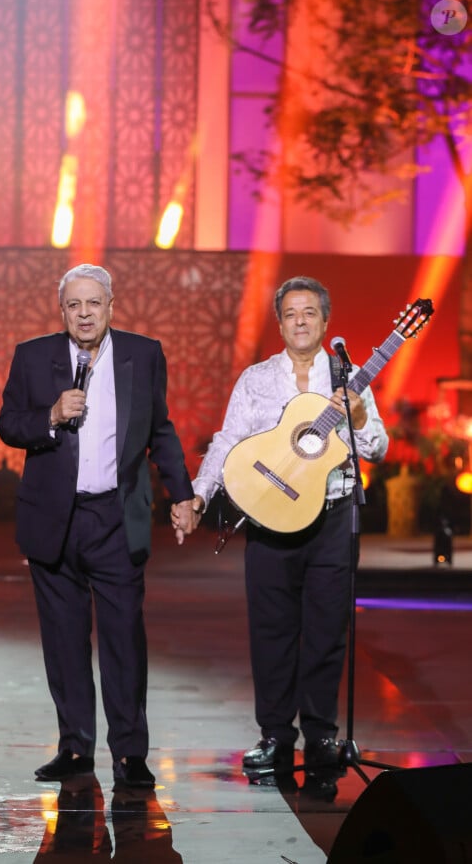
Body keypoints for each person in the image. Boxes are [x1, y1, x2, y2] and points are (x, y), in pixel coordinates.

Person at [172, 275, 388, 779]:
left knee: (327, 631)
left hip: (333, 517)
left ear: (325, 321)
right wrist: (200, 494)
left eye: (309, 312)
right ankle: (274, 735)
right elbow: (226, 442)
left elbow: (377, 446)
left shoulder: (348, 378)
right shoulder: (256, 379)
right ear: (280, 322)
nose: (300, 321)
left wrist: (357, 419)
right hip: (270, 519)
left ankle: (321, 736)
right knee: (271, 632)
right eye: (291, 313)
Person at [0, 263, 195, 789]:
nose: (84, 314)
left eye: (93, 304)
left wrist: (184, 494)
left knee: (124, 640)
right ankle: (75, 748)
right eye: (74, 305)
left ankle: (130, 752)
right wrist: (51, 415)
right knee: (63, 642)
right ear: (61, 310)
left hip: (115, 516)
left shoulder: (143, 353)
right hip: (53, 520)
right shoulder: (33, 356)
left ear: (111, 305)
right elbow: (8, 424)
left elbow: (161, 430)